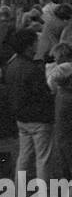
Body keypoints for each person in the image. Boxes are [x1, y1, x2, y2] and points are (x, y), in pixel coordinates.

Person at [5, 29, 56, 181]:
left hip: (21, 118)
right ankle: (43, 193)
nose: (38, 44)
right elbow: (43, 95)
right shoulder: (33, 69)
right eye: (35, 42)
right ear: (29, 46)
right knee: (43, 159)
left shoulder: (12, 65)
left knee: (24, 157)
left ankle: (19, 189)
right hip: (39, 119)